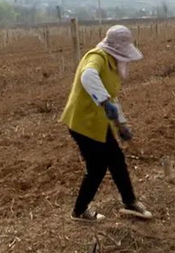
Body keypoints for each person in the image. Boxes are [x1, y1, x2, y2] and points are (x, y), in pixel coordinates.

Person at [60, 25, 153, 222]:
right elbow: (87, 76)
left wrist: (121, 125)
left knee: (116, 159)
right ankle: (79, 211)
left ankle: (130, 202)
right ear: (117, 48)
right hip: (83, 123)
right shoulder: (97, 57)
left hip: (99, 123)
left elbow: (112, 99)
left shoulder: (111, 65)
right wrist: (103, 101)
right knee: (97, 167)